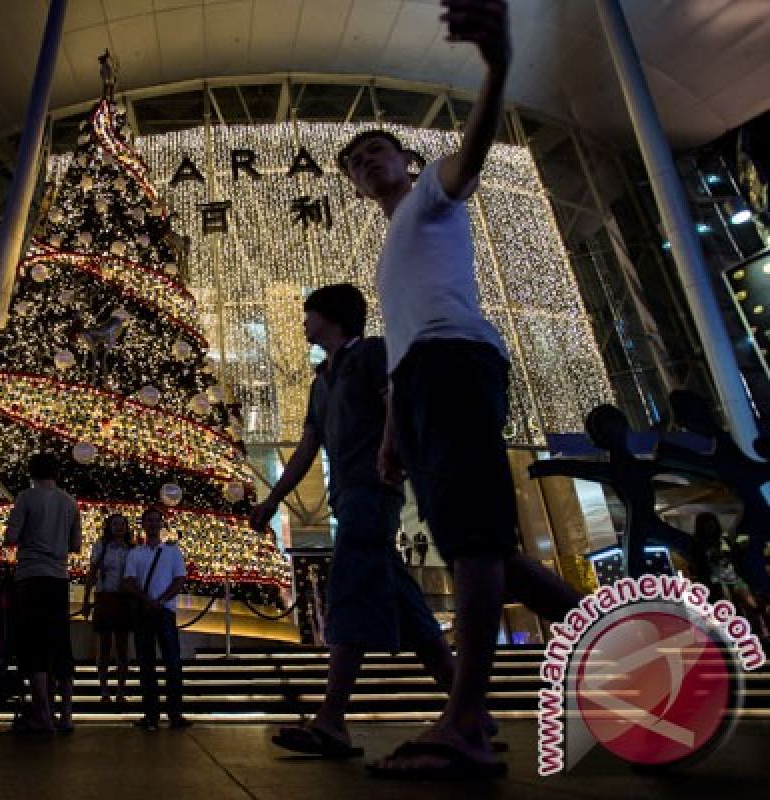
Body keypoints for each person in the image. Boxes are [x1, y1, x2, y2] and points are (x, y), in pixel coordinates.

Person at [342, 0, 582, 778]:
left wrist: (498, 63)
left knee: (476, 540)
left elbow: (473, 151)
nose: (366, 163)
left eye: (378, 151)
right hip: (419, 382)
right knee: (479, 547)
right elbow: (402, 336)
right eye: (355, 162)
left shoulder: (432, 198)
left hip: (457, 365)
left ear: (407, 161)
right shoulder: (393, 242)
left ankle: (468, 724)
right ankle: (612, 631)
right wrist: (388, 434)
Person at [250, 284, 464, 759]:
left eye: (309, 313)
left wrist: (390, 453)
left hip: (374, 488)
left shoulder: (371, 353)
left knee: (346, 587)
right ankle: (471, 712)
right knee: (409, 609)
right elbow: (308, 447)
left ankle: (331, 720)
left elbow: (394, 404)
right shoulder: (320, 380)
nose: (303, 321)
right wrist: (273, 500)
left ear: (331, 316)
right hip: (349, 496)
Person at [4, 452, 82, 733]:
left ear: (32, 472)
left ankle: (43, 715)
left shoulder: (26, 498)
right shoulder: (70, 502)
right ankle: (67, 715)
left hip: (30, 576)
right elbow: (75, 545)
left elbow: (11, 538)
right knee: (60, 643)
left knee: (34, 644)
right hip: (58, 578)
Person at [124, 506, 191, 731]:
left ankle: (175, 714)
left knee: (172, 663)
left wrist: (160, 601)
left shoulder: (172, 552)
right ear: (143, 525)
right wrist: (147, 600)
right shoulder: (135, 553)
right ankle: (151, 715)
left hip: (165, 612)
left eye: (156, 520)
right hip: (144, 613)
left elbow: (179, 579)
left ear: (161, 525)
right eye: (149, 520)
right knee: (146, 664)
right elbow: (129, 581)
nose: (153, 524)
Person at [82, 512, 135, 704]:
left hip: (124, 600)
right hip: (104, 597)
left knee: (122, 647)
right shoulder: (101, 547)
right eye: (115, 524)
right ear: (109, 527)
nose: (119, 527)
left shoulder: (132, 549)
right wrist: (86, 600)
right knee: (103, 646)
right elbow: (92, 573)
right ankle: (104, 690)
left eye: (122, 524)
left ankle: (120, 690)